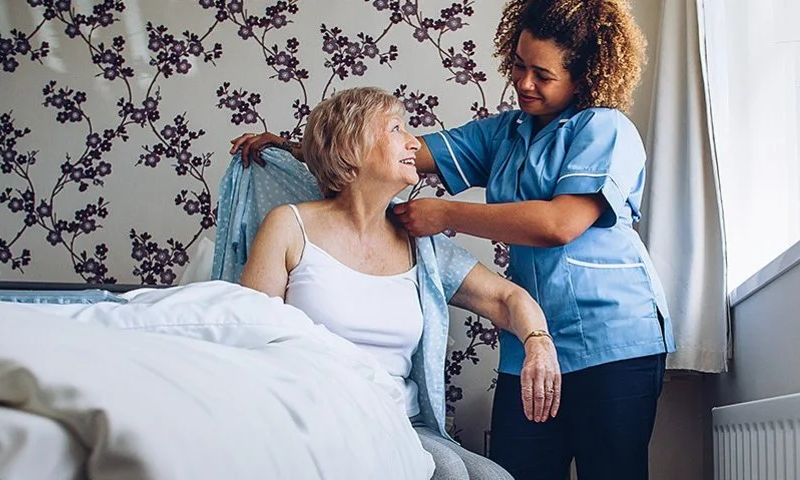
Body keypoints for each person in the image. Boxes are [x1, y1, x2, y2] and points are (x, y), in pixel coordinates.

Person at [231, 1, 671, 477]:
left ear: (584, 75)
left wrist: (443, 214)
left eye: (541, 75)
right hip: (526, 345)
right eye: (519, 66)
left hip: (613, 338)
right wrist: (302, 148)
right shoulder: (505, 134)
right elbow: (389, 150)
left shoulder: (606, 129)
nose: (524, 83)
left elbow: (559, 224)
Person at [233, 87, 562, 480]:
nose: (412, 143)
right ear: (349, 149)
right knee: (449, 472)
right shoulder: (289, 225)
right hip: (319, 416)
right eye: (395, 129)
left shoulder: (420, 244)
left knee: (494, 477)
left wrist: (538, 342)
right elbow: (248, 335)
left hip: (403, 421)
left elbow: (507, 298)